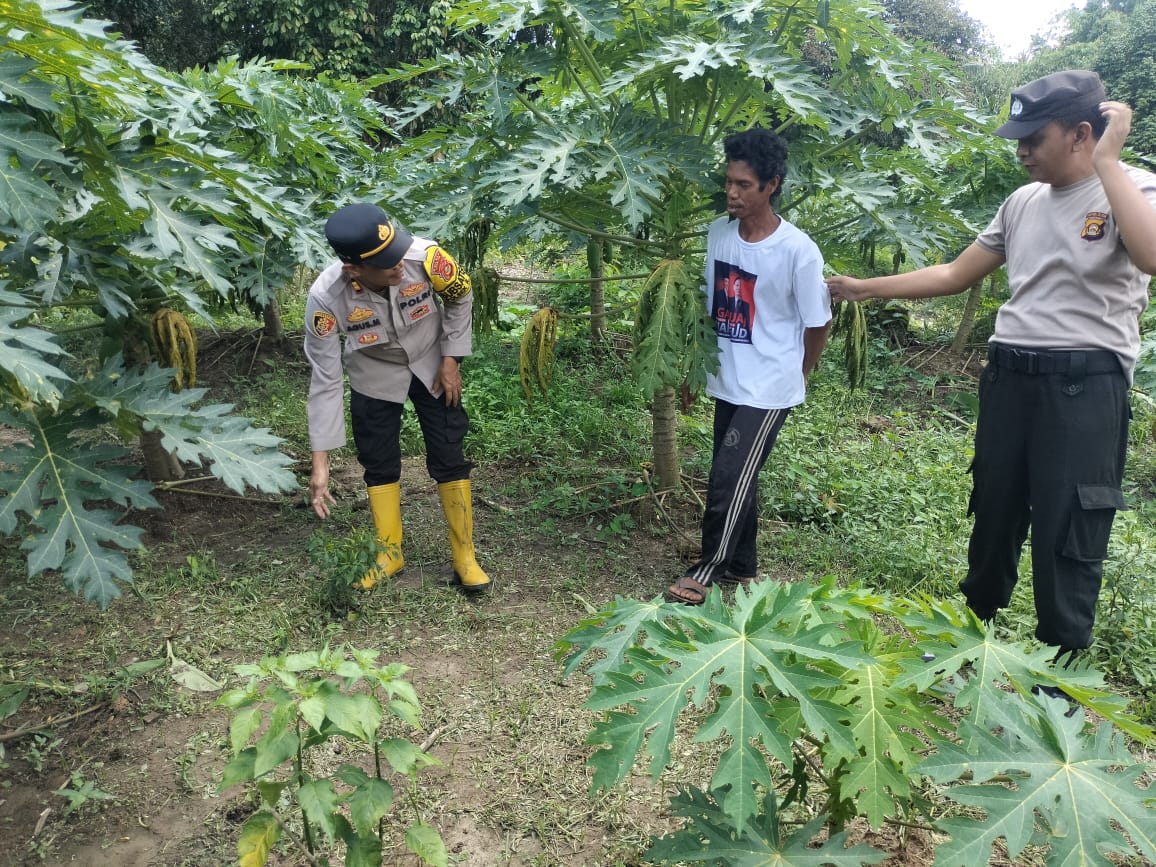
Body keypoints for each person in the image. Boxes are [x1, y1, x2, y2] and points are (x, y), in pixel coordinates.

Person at [827, 70, 1156, 657]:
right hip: (1009, 377)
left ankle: (1061, 667)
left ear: (1082, 134)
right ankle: (970, 638)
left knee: (1070, 525)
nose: (1022, 150)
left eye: (1034, 137)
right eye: (1017, 137)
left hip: (1086, 386)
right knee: (996, 507)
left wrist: (1110, 162)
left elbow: (1153, 255)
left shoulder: (1133, 189)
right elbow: (955, 275)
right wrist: (863, 288)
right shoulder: (1022, 202)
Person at [666, 128, 832, 605]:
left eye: (744, 185)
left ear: (771, 185)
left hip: (768, 385)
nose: (732, 193)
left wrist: (799, 373)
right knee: (738, 474)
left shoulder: (798, 250)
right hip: (726, 378)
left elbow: (818, 322)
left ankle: (707, 568)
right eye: (728, 182)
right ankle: (742, 566)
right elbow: (707, 307)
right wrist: (693, 370)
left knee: (727, 476)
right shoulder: (719, 233)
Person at [304, 202, 490, 593]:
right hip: (374, 370)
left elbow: (461, 295)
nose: (399, 265)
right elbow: (325, 378)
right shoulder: (325, 298)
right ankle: (389, 554)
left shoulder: (427, 257)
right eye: (386, 263)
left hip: (430, 360)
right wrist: (319, 462)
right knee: (378, 458)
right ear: (353, 268)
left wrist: (451, 359)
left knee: (449, 449)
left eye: (398, 251)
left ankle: (464, 556)